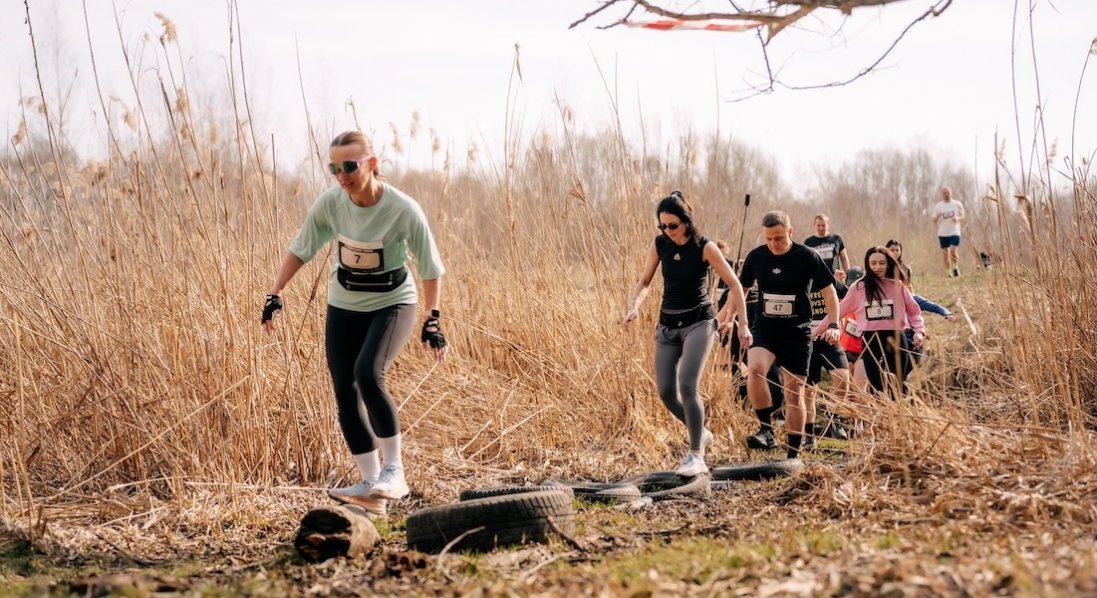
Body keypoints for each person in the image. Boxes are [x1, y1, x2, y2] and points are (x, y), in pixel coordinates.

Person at [261, 130, 448, 515]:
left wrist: (434, 319)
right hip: (344, 303)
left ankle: (395, 472)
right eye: (334, 167)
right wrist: (275, 293)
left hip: (393, 302)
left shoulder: (402, 208)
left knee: (368, 373)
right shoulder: (331, 204)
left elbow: (430, 266)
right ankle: (370, 486)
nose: (342, 175)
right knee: (344, 389)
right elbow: (302, 248)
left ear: (372, 164)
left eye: (350, 166)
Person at [624, 191, 750, 477]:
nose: (667, 231)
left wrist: (743, 324)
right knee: (666, 391)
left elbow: (734, 284)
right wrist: (634, 306)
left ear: (686, 222)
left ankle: (696, 455)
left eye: (672, 226)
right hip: (668, 324)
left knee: (687, 384)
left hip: (700, 322)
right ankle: (701, 431)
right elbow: (644, 281)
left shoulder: (705, 247)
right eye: (662, 226)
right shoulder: (660, 245)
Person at [725, 211, 840, 459]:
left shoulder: (807, 256)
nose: (773, 244)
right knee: (754, 369)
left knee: (794, 393)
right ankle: (766, 430)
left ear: (790, 232)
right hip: (765, 328)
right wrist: (735, 321)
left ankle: (793, 453)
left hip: (797, 332)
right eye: (768, 239)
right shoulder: (756, 257)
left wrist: (834, 324)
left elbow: (829, 292)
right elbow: (739, 291)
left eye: (778, 238)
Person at [813, 247, 925, 397]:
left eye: (881, 263)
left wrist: (919, 331)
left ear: (888, 264)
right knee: (876, 387)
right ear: (868, 265)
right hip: (871, 341)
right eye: (873, 263)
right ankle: (880, 416)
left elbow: (914, 312)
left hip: (896, 340)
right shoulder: (859, 288)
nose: (877, 267)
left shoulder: (898, 287)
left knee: (896, 387)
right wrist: (817, 331)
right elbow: (838, 311)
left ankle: (897, 416)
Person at [931, 186, 965, 277]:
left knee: (953, 251)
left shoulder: (957, 204)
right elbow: (933, 220)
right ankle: (948, 272)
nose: (946, 195)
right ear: (942, 195)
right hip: (943, 232)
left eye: (948, 193)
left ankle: (956, 268)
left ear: (951, 193)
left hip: (954, 231)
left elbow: (963, 216)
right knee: (946, 254)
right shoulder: (938, 206)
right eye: (944, 193)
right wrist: (937, 216)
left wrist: (957, 218)